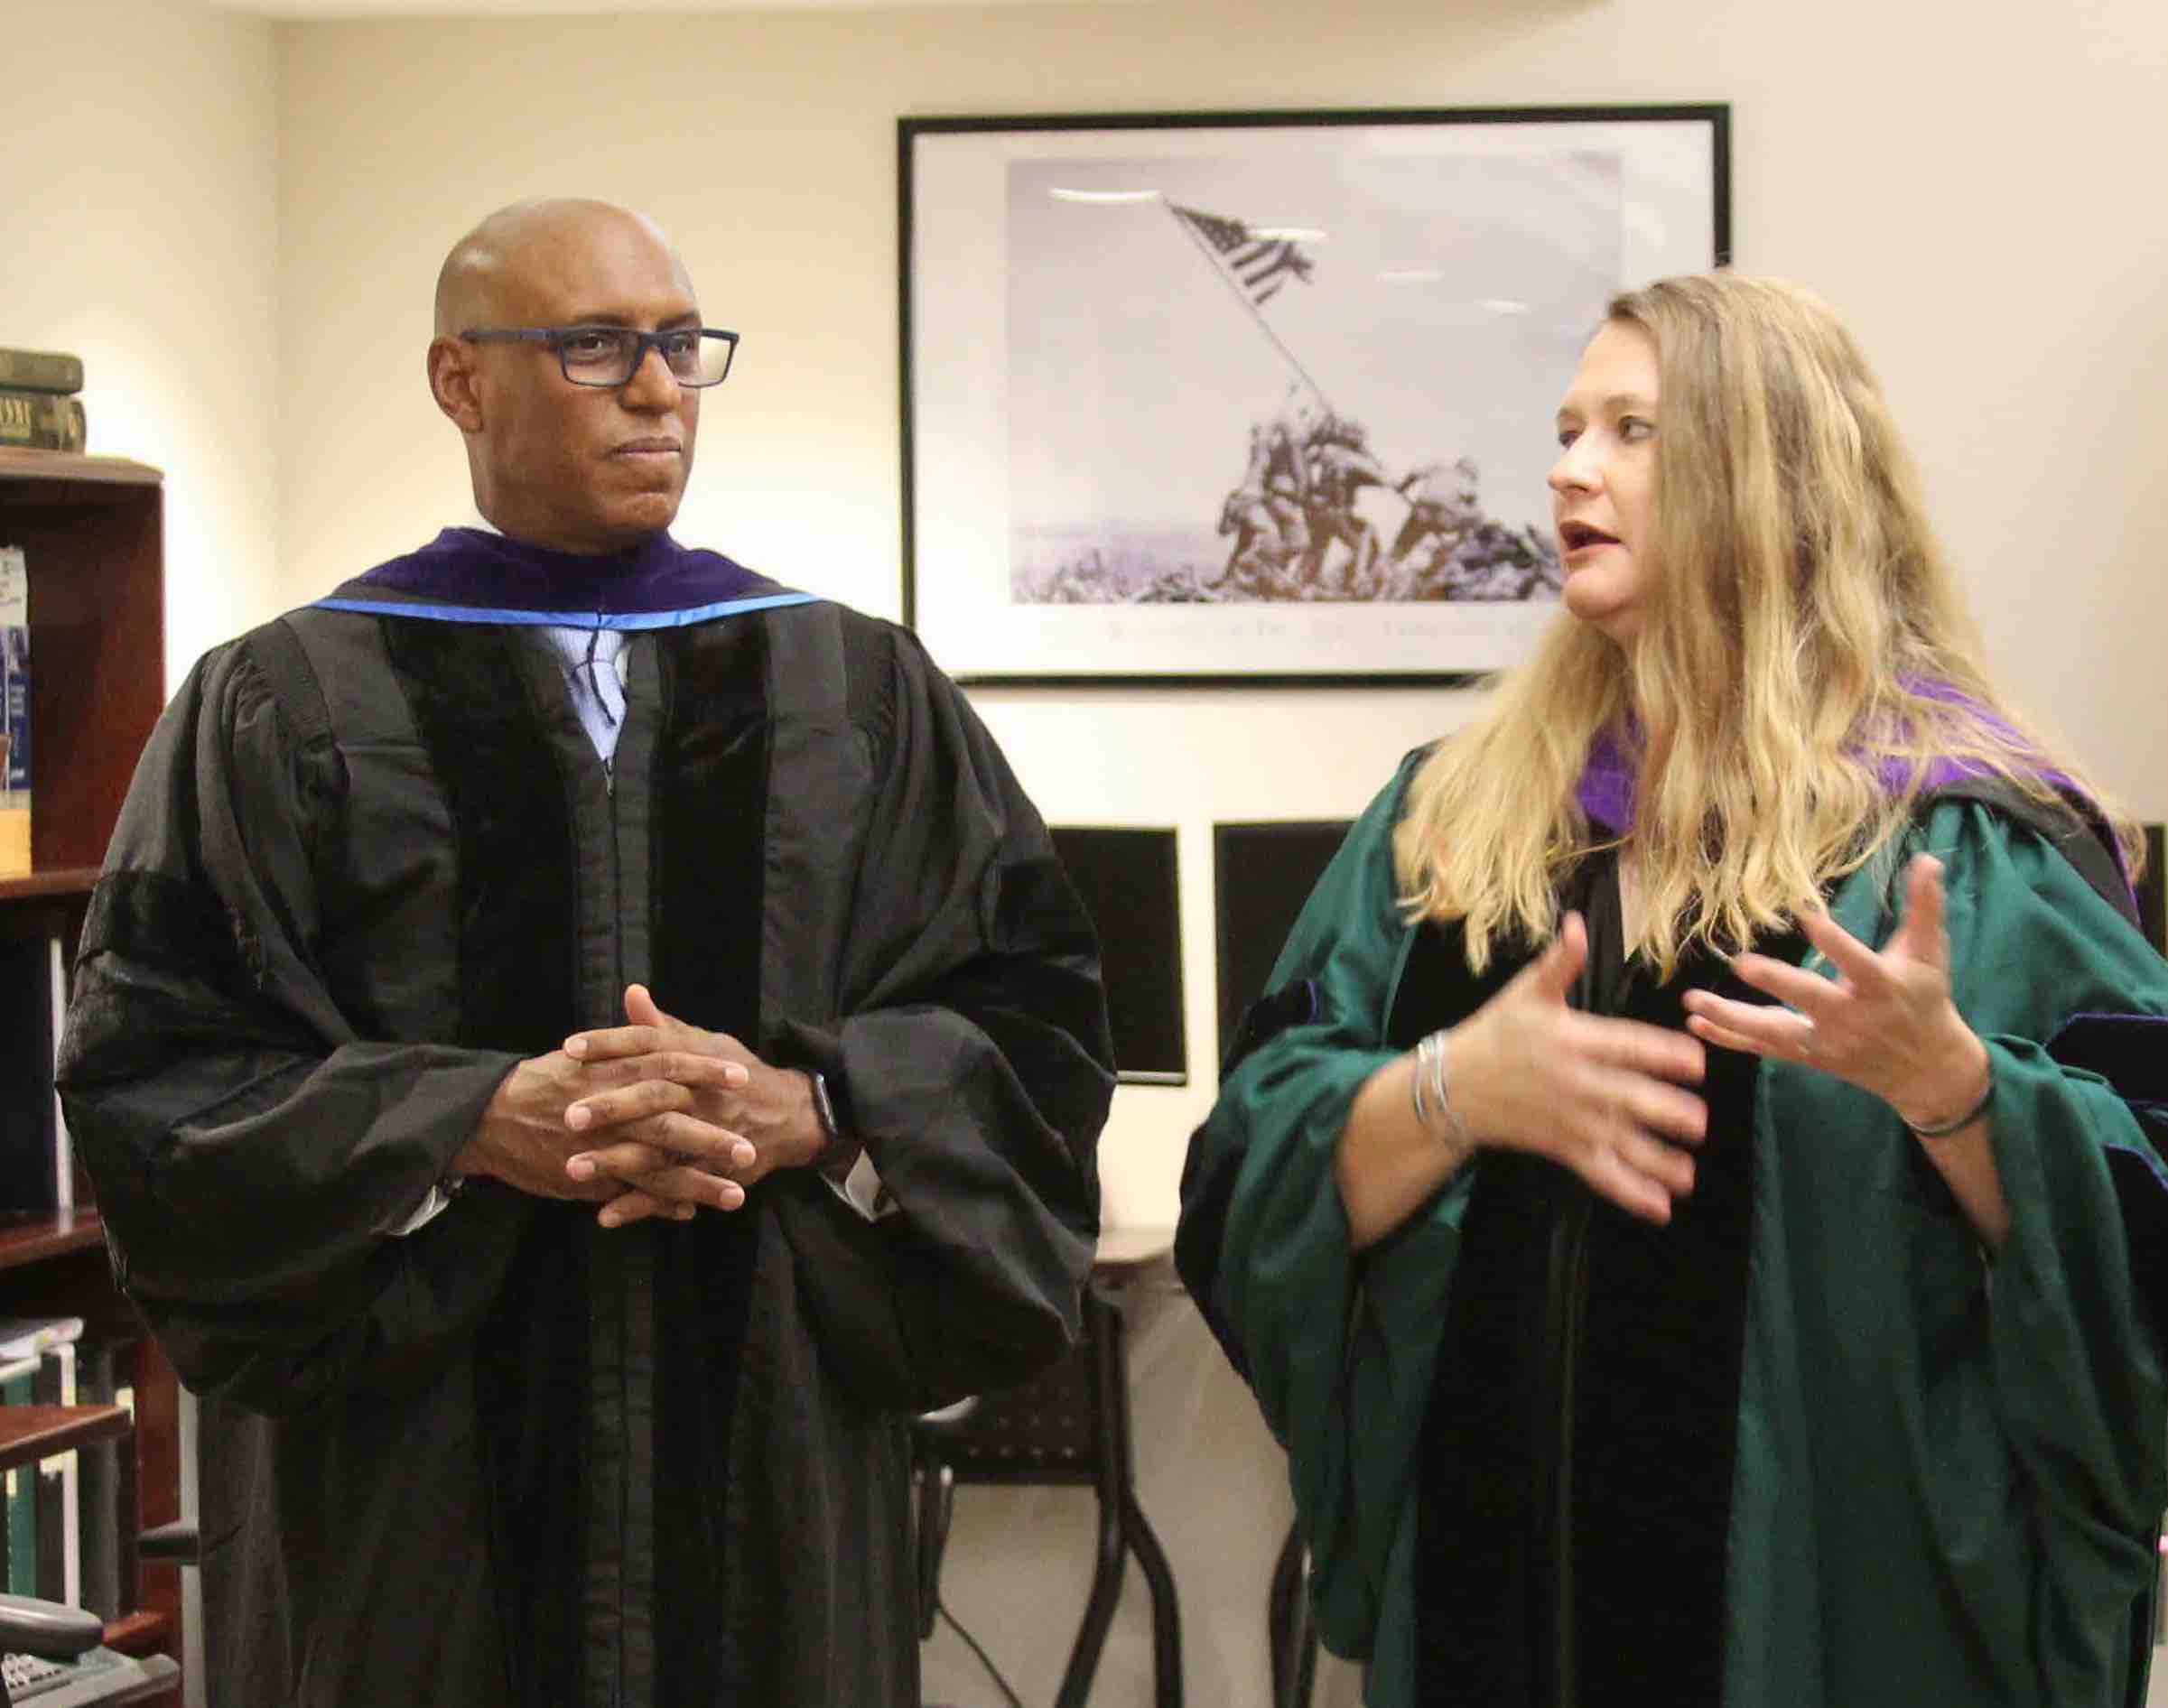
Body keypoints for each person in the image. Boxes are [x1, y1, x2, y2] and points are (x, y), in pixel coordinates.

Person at [57, 198, 1113, 1708]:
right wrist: (464, 1122)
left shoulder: (855, 686)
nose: (659, 386)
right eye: (596, 345)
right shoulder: (281, 698)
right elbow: (155, 1072)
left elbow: (1036, 1010)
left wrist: (819, 1107)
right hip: (404, 1498)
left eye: (683, 345)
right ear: (458, 380)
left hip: (772, 1469)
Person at [1177, 272, 2168, 1708]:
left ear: (1772, 474)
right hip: (1497, 1611)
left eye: (1630, 429)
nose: (1566, 467)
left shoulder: (1963, 838)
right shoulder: (1457, 823)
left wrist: (1958, 1098)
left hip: (1845, 1622)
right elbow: (1248, 1168)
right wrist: (1446, 1094)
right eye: (1569, 428)